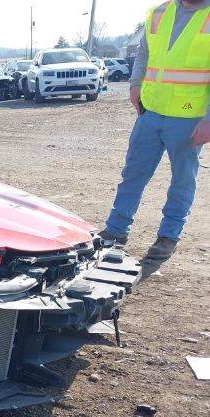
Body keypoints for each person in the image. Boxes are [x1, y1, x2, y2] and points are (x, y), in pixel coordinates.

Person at [100, 0, 210, 260]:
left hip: (189, 117)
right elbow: (143, 53)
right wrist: (134, 84)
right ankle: (116, 230)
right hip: (150, 112)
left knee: (182, 180)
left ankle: (168, 235)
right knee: (133, 174)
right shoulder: (159, 12)